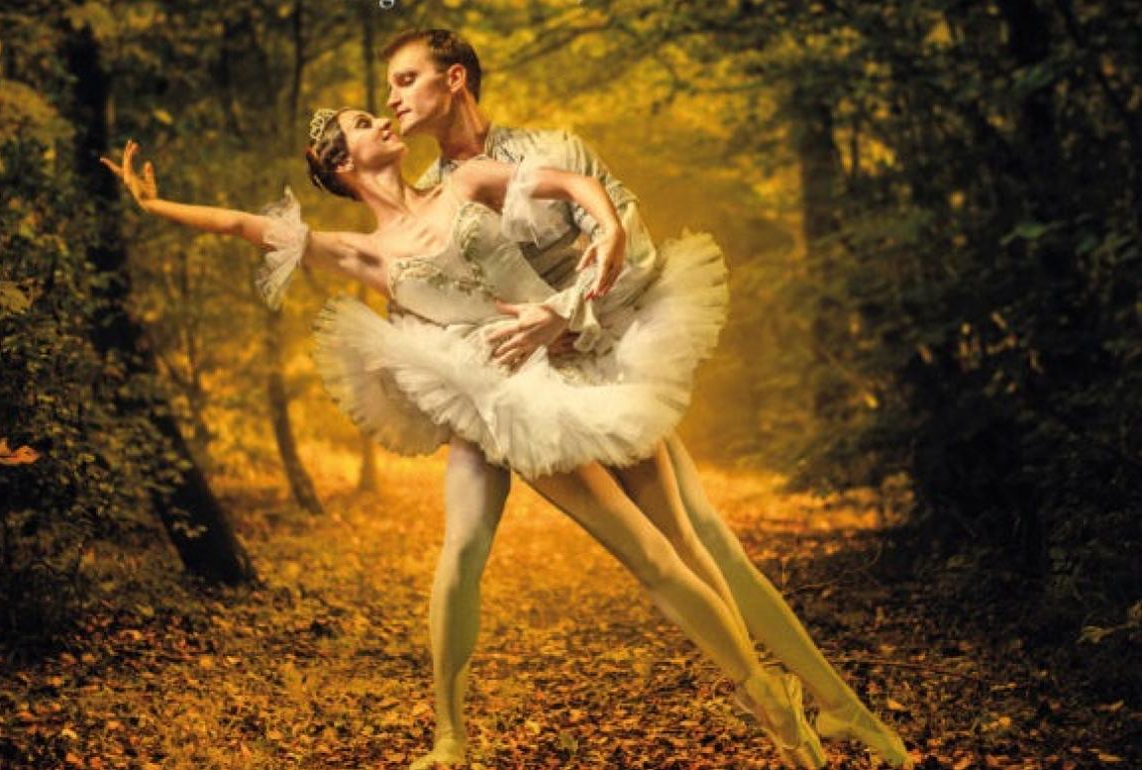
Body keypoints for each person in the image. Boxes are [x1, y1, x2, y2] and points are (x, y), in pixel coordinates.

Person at [100, 104, 825, 767]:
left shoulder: (468, 180)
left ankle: (769, 694)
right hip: (516, 395)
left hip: (585, 352)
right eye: (361, 122)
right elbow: (242, 226)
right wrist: (155, 204)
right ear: (340, 163)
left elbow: (571, 184)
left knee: (677, 543)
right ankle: (766, 697)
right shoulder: (363, 253)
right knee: (646, 554)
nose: (381, 119)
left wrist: (607, 231)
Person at [380, 28, 910, 770]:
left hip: (600, 364)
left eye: (406, 79)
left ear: (456, 78)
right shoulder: (431, 198)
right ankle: (449, 738)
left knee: (705, 541)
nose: (393, 98)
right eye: (391, 86)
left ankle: (838, 707)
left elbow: (631, 243)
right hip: (512, 394)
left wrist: (565, 312)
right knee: (466, 545)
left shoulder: (550, 151)